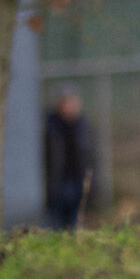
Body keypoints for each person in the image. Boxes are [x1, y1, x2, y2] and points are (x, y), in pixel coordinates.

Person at [43, 84, 96, 230]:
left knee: (75, 225)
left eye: (72, 102)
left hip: (78, 183)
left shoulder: (84, 126)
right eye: (65, 102)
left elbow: (93, 159)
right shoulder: (50, 126)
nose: (69, 106)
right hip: (57, 185)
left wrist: (93, 186)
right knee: (55, 226)